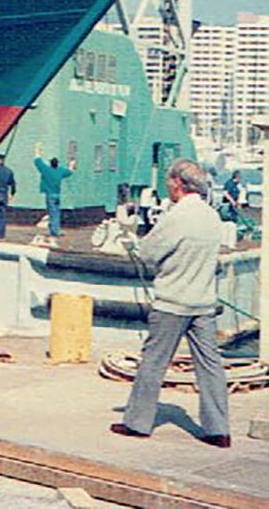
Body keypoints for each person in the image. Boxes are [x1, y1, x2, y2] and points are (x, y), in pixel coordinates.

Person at [111, 159, 231, 447]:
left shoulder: (177, 217)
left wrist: (130, 237)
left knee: (153, 363)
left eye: (169, 181)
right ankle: (219, 430)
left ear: (178, 183)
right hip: (203, 303)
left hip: (172, 303)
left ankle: (137, 423)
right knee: (211, 366)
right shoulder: (211, 217)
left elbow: (148, 254)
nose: (168, 186)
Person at [34, 146, 75, 238]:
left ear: (50, 163)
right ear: (58, 164)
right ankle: (55, 230)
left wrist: (38, 151)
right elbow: (70, 172)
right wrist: (71, 164)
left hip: (49, 194)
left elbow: (37, 162)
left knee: (51, 212)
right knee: (56, 212)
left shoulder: (46, 170)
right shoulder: (60, 171)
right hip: (57, 194)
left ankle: (53, 231)